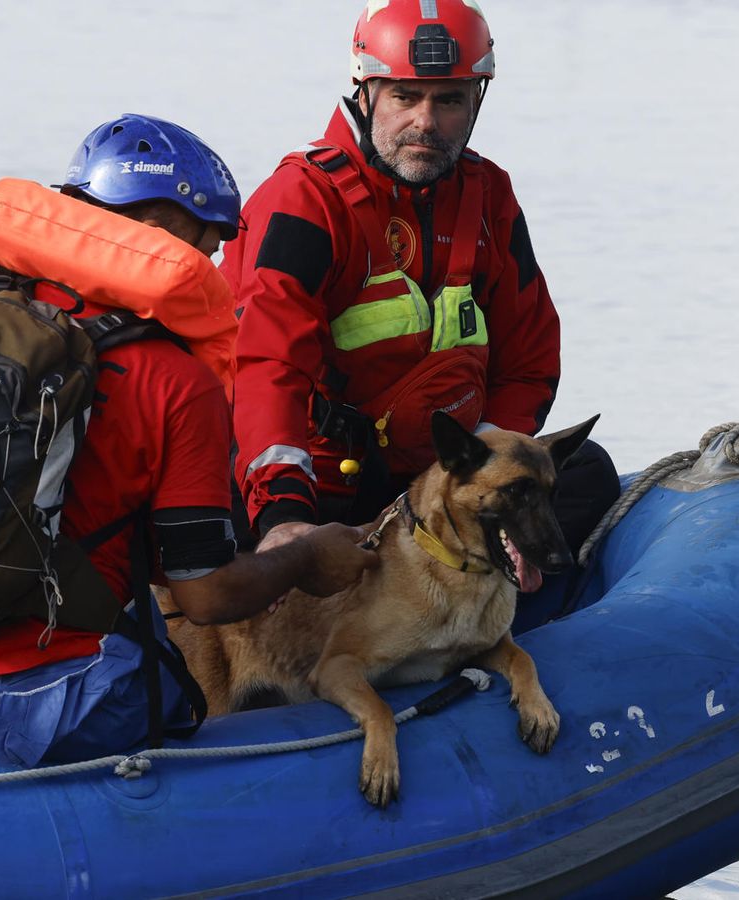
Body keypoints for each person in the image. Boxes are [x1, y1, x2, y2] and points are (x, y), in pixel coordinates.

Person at [0, 114, 378, 767]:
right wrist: (303, 557)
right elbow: (206, 595)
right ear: (160, 234)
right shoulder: (178, 383)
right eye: (205, 248)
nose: (210, 269)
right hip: (50, 707)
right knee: (156, 640)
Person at [223, 0, 619, 559]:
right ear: (366, 92)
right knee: (245, 523)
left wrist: (481, 468)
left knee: (588, 474)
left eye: (449, 100)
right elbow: (266, 366)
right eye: (405, 97)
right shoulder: (304, 200)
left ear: (476, 102)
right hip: (322, 482)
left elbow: (529, 361)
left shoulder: (490, 197)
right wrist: (284, 515)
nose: (426, 123)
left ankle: (462, 611)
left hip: (439, 476)